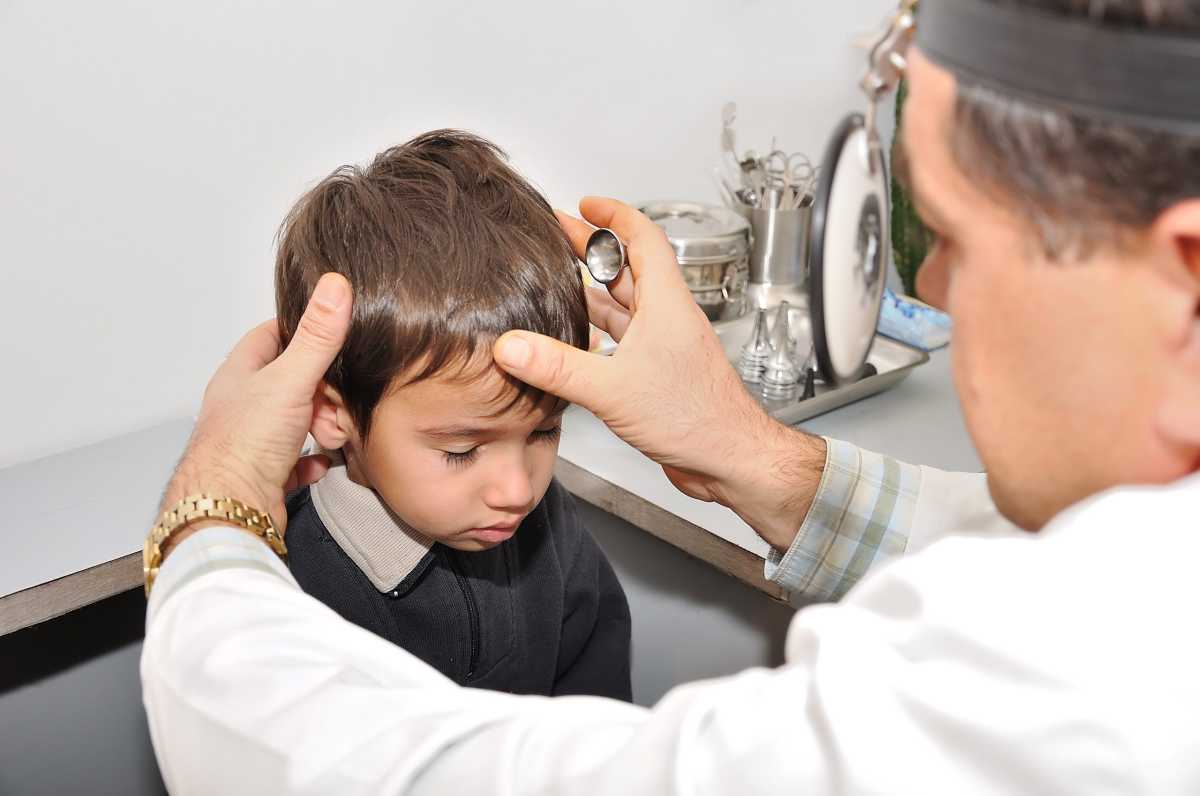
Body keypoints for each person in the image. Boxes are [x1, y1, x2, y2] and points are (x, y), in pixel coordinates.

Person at [140, 1, 1200, 792]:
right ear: (337, 412)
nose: (927, 288)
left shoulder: (1106, 689)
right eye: (463, 447)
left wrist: (212, 512)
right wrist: (750, 450)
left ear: (1184, 283)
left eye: (955, 238)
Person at [269, 130, 630, 699]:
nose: (518, 490)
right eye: (461, 450)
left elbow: (598, 706)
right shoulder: (288, 595)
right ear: (331, 413)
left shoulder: (548, 529)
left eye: (544, 431)